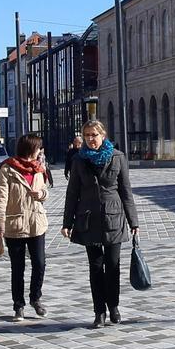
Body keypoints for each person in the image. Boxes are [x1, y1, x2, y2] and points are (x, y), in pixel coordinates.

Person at [62, 120, 139, 329]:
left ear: (102, 135)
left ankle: (113, 306)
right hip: (89, 219)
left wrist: (134, 221)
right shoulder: (79, 160)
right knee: (95, 267)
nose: (90, 139)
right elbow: (72, 193)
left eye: (93, 135)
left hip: (113, 217)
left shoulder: (117, 157)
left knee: (113, 265)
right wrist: (67, 222)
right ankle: (99, 311)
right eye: (86, 135)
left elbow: (126, 191)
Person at [0, 134, 50, 322]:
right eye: (38, 148)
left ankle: (36, 298)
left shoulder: (39, 168)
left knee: (40, 263)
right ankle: (19, 305)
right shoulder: (8, 169)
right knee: (18, 268)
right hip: (15, 224)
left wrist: (40, 193)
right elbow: (0, 199)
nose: (40, 151)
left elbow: (46, 191)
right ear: (30, 148)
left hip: (36, 223)